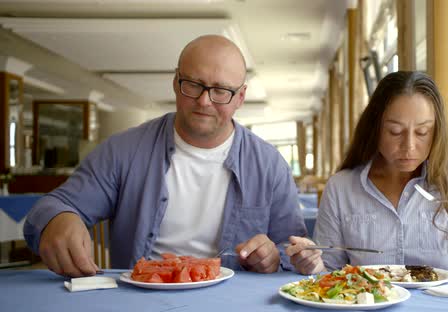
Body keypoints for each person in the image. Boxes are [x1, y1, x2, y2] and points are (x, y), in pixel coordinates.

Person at [24, 35, 307, 277]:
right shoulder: (124, 151)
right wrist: (56, 220)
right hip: (141, 298)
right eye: (193, 85)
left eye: (221, 90)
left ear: (241, 97)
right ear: (175, 81)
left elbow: (294, 250)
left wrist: (275, 258)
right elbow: (54, 205)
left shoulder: (270, 165)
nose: (204, 101)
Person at [286, 71, 448, 275]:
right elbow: (328, 273)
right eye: (395, 132)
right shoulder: (341, 188)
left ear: (436, 132)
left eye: (422, 132)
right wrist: (313, 265)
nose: (409, 146)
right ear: (375, 128)